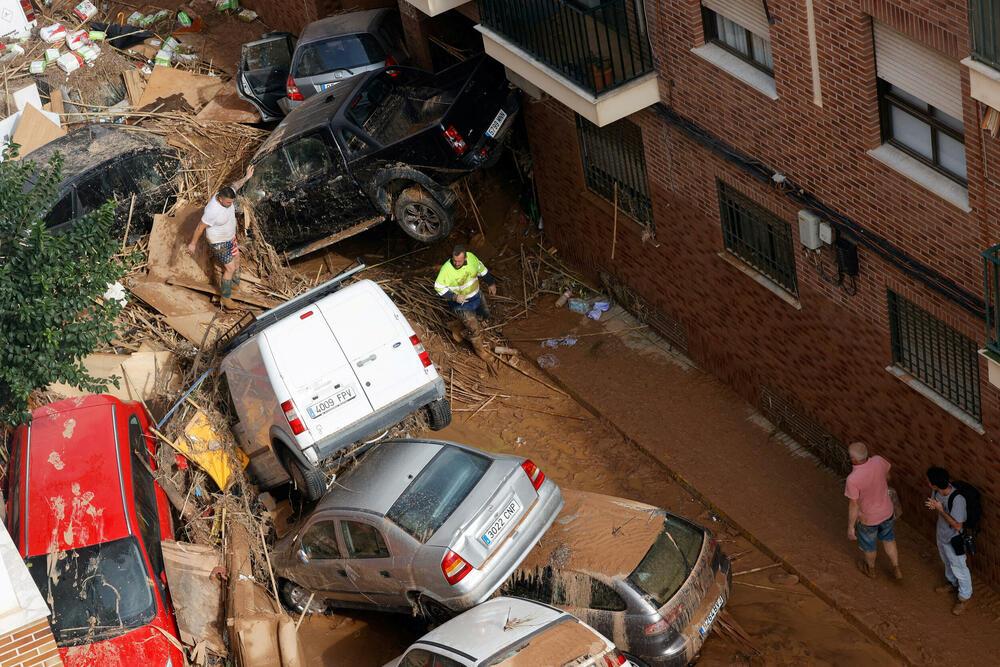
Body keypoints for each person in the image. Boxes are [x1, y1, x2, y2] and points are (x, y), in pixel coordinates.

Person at [186, 166, 254, 310]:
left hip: (230, 238)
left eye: (231, 202)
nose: (230, 205)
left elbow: (235, 185)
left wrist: (247, 177)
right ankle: (226, 299)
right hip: (218, 242)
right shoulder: (212, 210)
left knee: (236, 261)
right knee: (229, 268)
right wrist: (192, 244)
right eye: (228, 203)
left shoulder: (228, 194)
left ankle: (233, 286)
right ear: (219, 198)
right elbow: (200, 227)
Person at [844, 442, 902, 580]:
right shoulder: (878, 460)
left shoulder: (852, 479)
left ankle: (871, 569)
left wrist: (851, 527)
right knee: (889, 539)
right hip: (887, 511)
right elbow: (887, 477)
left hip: (868, 518)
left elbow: (854, 504)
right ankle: (896, 567)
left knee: (869, 546)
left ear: (853, 459)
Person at [925, 466, 973, 615]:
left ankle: (964, 596)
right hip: (942, 535)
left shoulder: (958, 500)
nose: (927, 483)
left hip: (953, 539)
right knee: (946, 561)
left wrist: (941, 510)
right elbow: (935, 502)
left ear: (934, 484)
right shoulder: (937, 491)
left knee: (959, 567)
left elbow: (958, 525)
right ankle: (952, 583)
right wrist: (934, 505)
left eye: (928, 481)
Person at [435, 245, 496, 360]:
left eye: (459, 261)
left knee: (485, 314)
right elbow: (438, 287)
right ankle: (480, 351)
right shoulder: (446, 269)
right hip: (461, 304)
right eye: (454, 261)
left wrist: (491, 283)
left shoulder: (472, 258)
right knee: (474, 328)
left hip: (476, 296)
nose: (456, 264)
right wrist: (454, 297)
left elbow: (482, 270)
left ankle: (460, 325)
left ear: (466, 258)